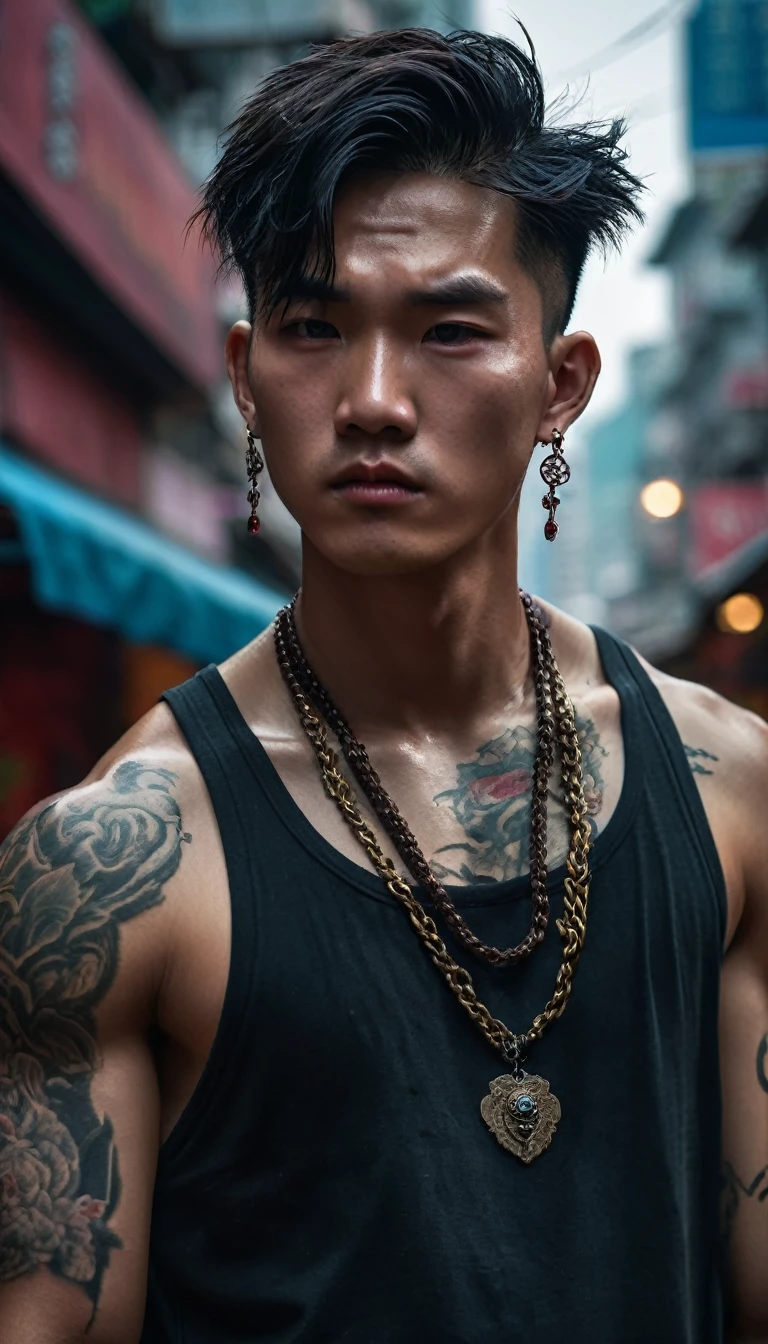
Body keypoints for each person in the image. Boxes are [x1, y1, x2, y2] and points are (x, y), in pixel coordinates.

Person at [0, 25, 766, 1344]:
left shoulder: (733, 795)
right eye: (312, 326)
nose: (370, 400)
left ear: (559, 385)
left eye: (450, 330)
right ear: (245, 379)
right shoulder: (109, 869)